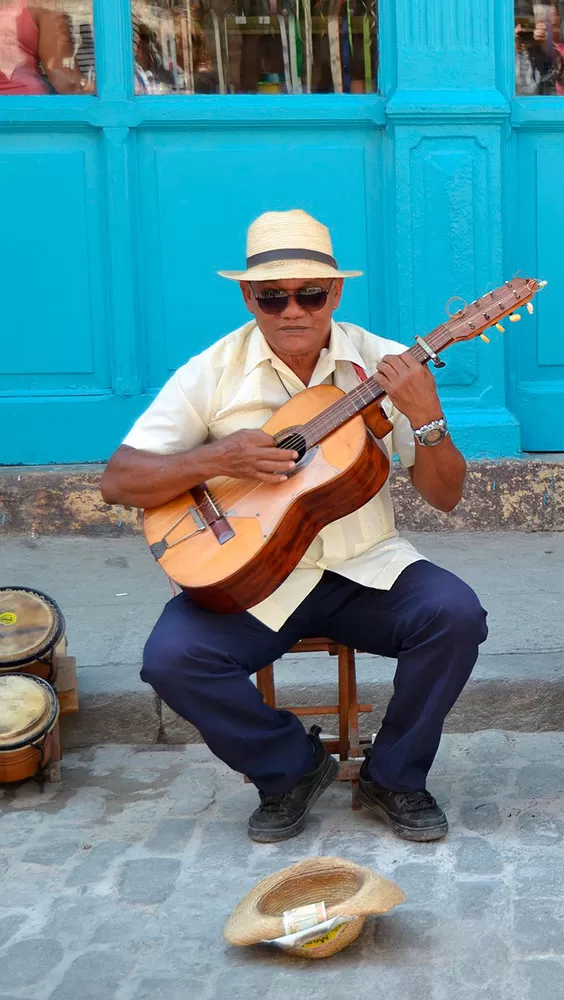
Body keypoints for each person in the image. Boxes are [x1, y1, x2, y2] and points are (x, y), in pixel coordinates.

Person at [99, 210, 488, 841]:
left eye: (309, 293)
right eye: (271, 296)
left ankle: (393, 776)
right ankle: (290, 769)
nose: (292, 311)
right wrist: (219, 458)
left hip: (365, 567)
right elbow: (118, 480)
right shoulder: (213, 372)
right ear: (247, 297)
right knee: (172, 659)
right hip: (255, 578)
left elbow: (446, 497)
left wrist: (428, 416)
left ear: (335, 293)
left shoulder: (384, 365)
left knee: (456, 616)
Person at [0, 1, 90, 95]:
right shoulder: (42, 6)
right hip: (27, 98)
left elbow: (68, 81)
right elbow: (68, 82)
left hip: (25, 98)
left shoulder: (41, 7)